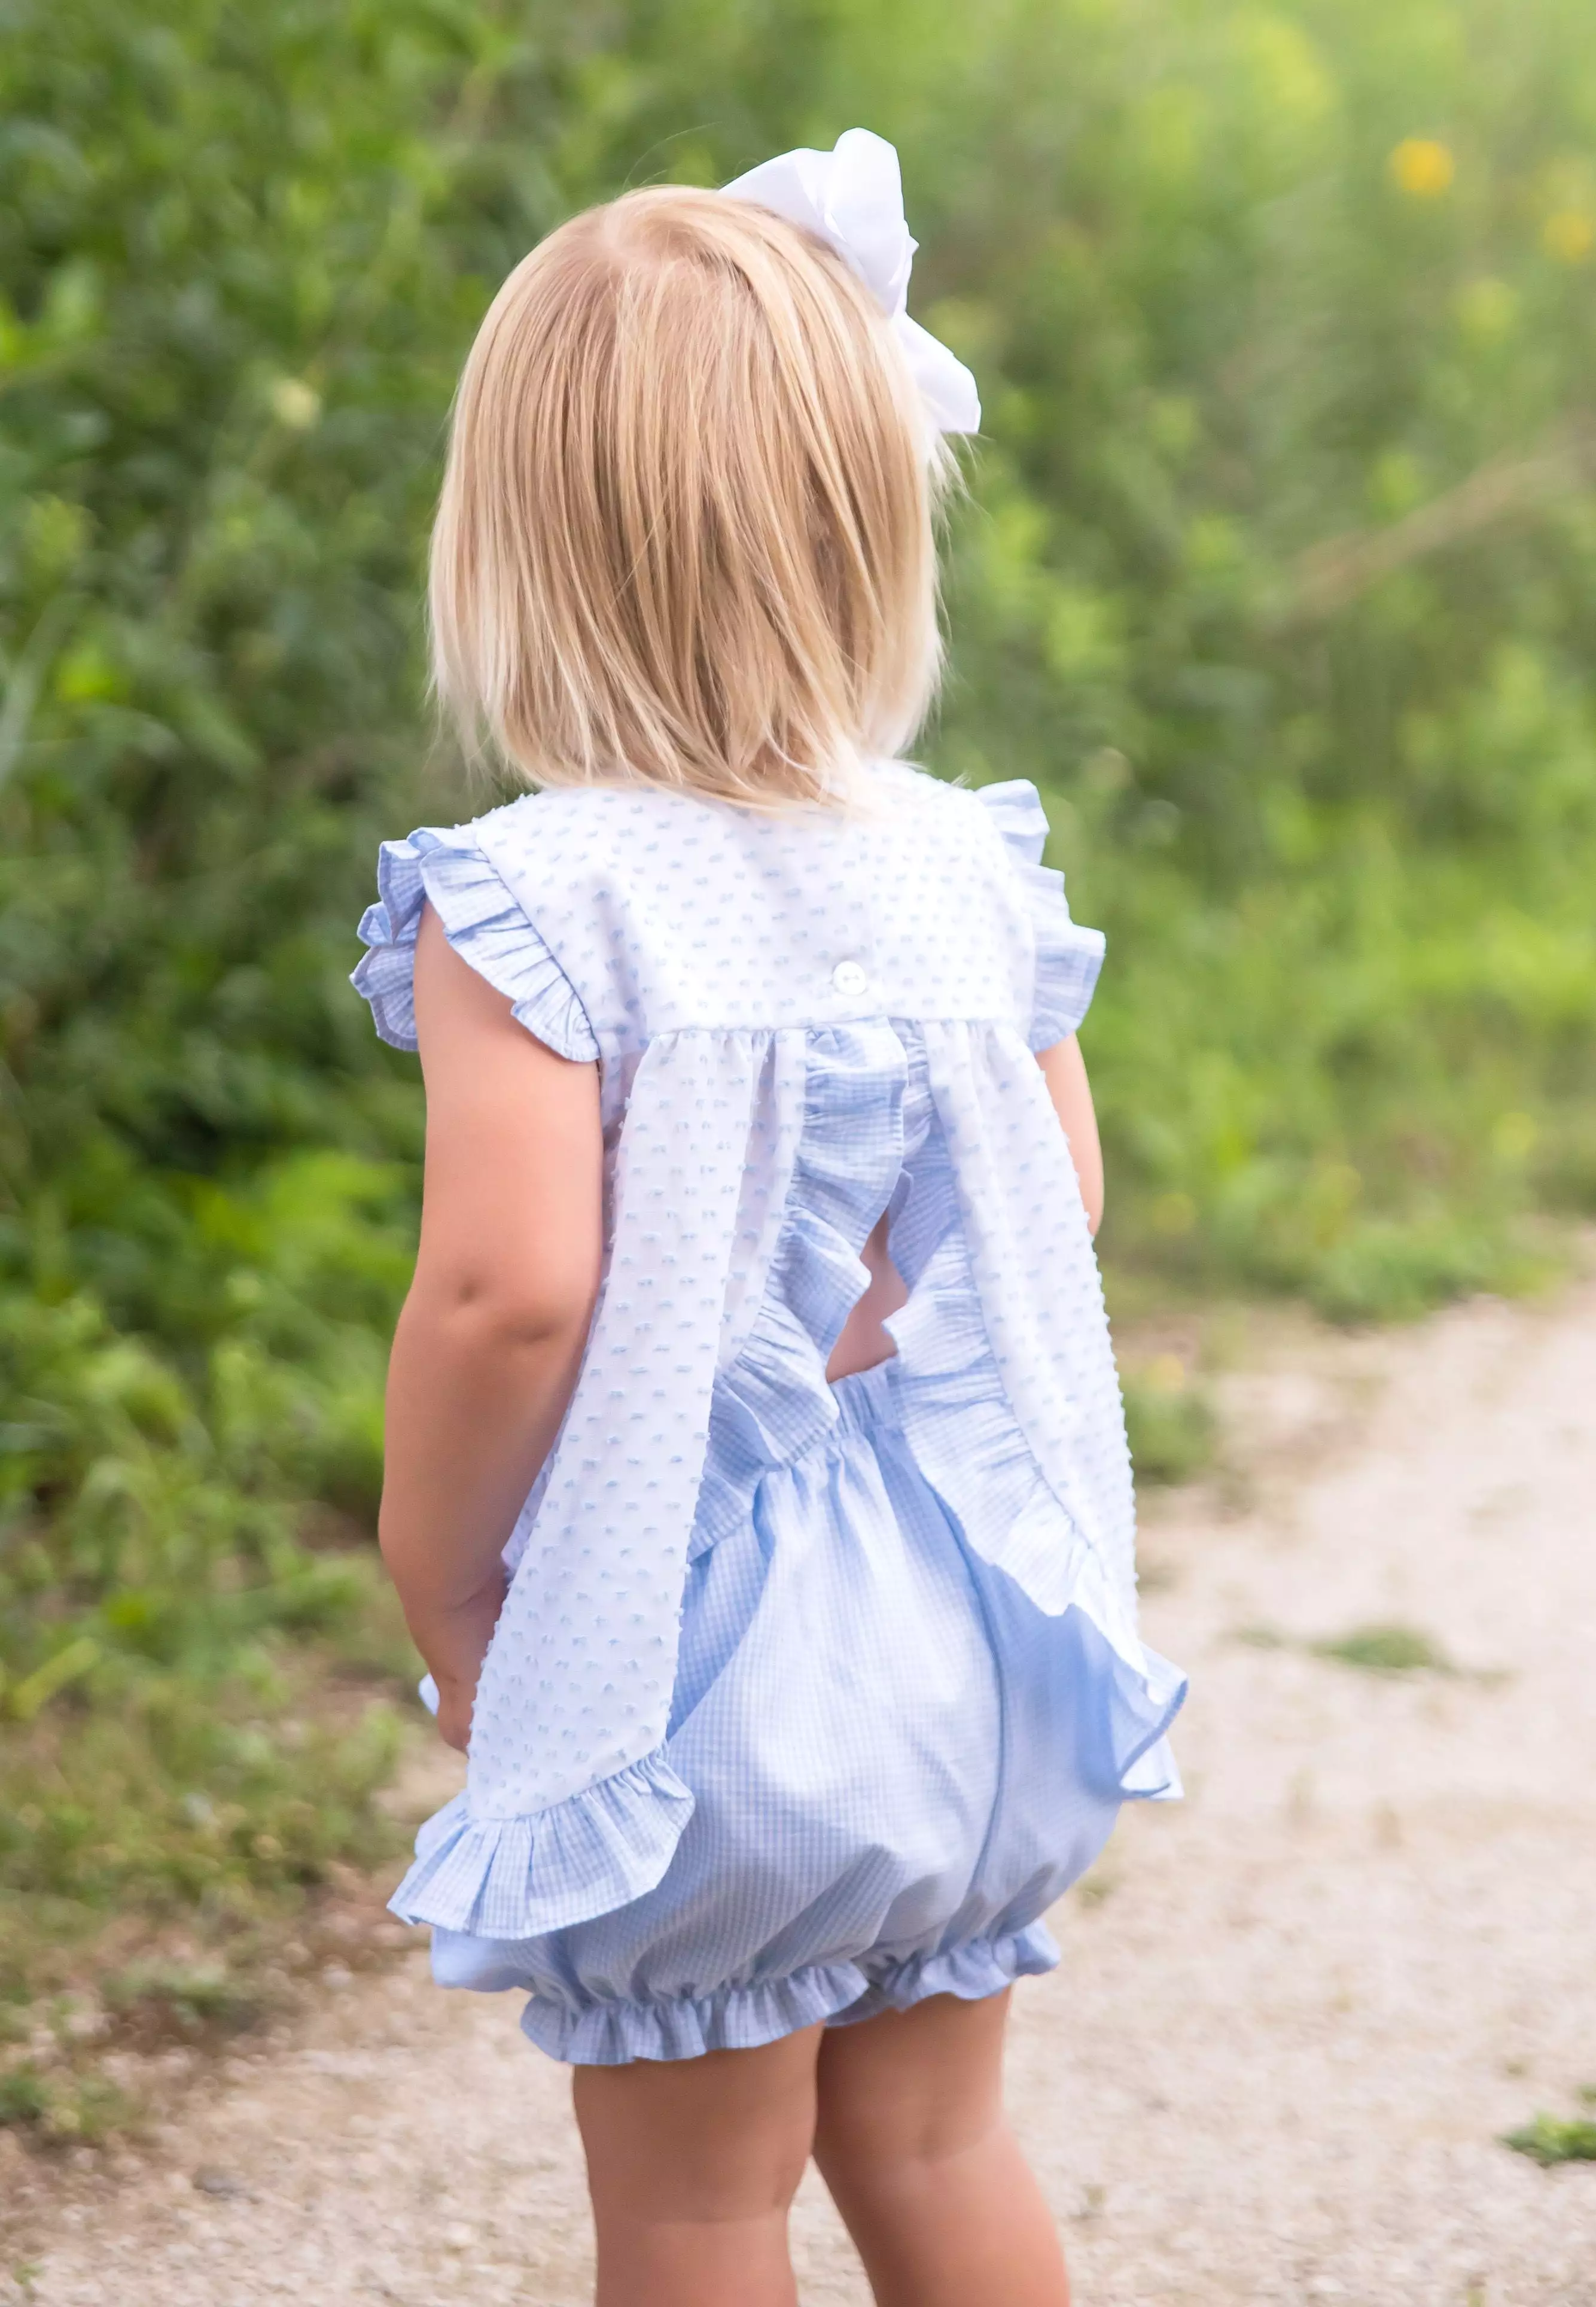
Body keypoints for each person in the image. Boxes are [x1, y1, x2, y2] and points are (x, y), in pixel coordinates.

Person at [352, 127, 1184, 2307]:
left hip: (698, 1657)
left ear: (518, 546)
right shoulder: (961, 862)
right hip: (962, 1636)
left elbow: (514, 1294)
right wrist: (844, 1322)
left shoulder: (537, 898)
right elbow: (1053, 1199)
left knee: (704, 2202)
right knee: (935, 2141)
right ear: (866, 528)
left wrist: (436, 1563)